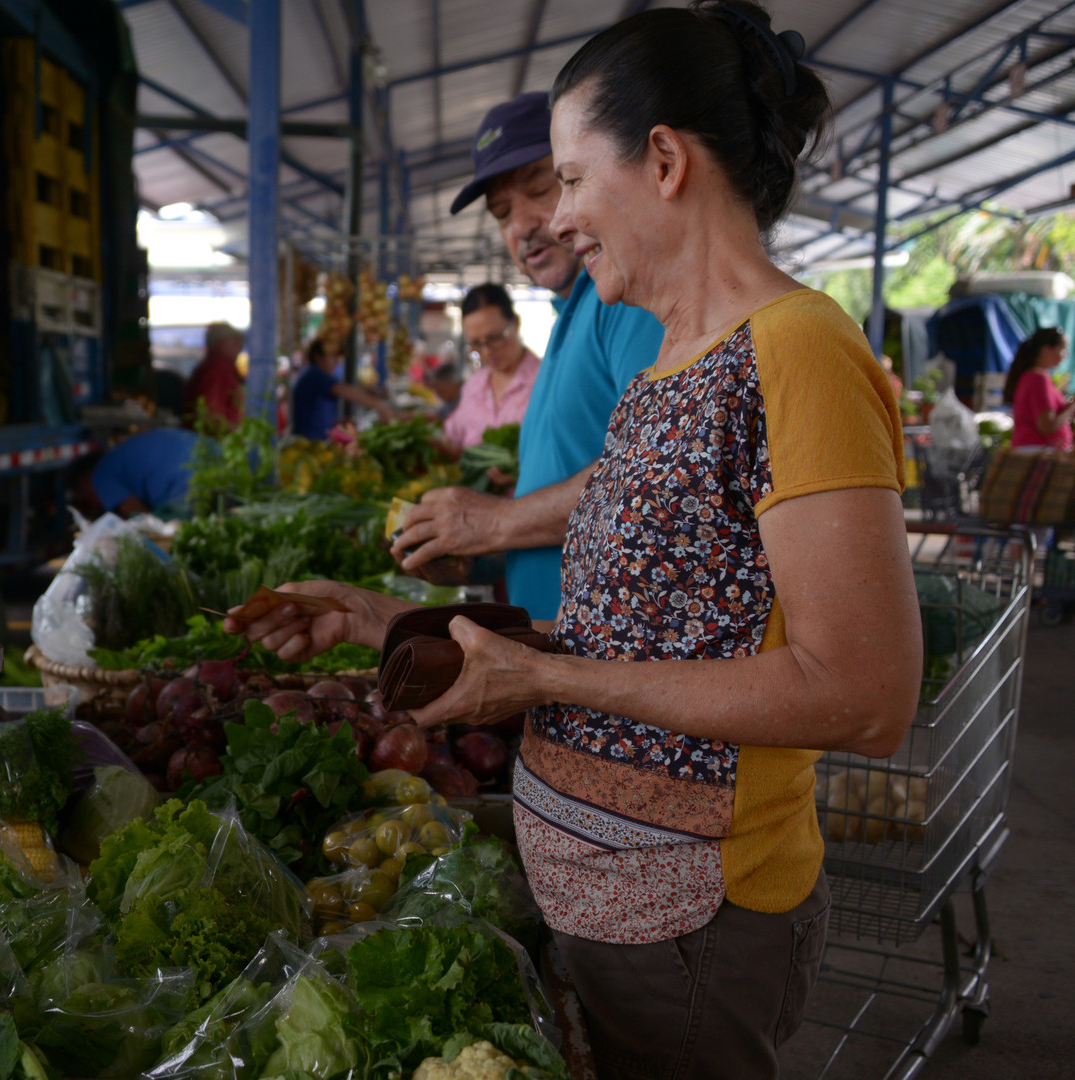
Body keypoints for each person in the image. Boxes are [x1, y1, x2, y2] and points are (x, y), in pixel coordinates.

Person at [226, 4, 924, 1077]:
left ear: (663, 161)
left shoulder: (798, 350)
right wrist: (400, 623)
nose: (559, 216)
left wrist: (555, 676)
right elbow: (641, 633)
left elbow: (867, 691)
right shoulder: (666, 370)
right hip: (614, 906)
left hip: (692, 916)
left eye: (568, 179)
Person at [390, 90, 664, 620]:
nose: (521, 226)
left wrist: (494, 522)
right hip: (556, 655)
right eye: (501, 213)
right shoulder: (572, 315)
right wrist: (483, 560)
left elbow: (652, 473)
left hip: (609, 665)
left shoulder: (628, 299)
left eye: (541, 187)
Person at [443, 284, 540, 449]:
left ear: (515, 323)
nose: (486, 352)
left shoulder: (544, 383)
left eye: (494, 338)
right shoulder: (474, 387)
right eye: (476, 343)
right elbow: (453, 438)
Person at [70, 426, 206, 518]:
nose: (95, 504)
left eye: (86, 499)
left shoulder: (100, 476)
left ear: (84, 480)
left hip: (187, 480)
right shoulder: (118, 458)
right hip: (212, 454)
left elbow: (141, 518)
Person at [290, 338, 395, 439]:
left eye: (337, 356)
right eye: (332, 356)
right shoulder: (314, 375)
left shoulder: (313, 374)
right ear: (317, 357)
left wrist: (337, 423)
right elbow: (345, 391)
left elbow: (314, 413)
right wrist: (378, 405)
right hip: (310, 444)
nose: (336, 361)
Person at [1006, 327, 1073, 448]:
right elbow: (1047, 427)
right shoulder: (1039, 378)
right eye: (1062, 349)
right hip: (1039, 453)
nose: (1065, 355)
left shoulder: (1029, 376)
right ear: (1046, 349)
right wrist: (1071, 409)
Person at [182, 322, 247, 429]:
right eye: (235, 340)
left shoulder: (217, 367)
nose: (240, 346)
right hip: (212, 443)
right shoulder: (218, 370)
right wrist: (238, 434)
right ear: (221, 343)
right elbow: (211, 416)